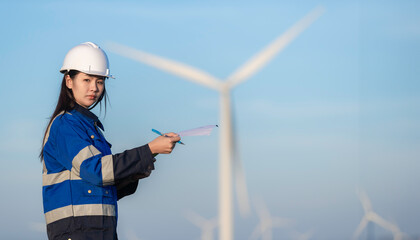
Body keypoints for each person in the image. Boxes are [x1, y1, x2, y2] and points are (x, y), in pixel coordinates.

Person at [40, 42, 181, 240]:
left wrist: (145, 160)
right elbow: (95, 170)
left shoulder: (89, 128)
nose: (94, 88)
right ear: (69, 81)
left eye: (99, 81)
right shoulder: (65, 125)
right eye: (87, 80)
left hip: (99, 231)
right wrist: (147, 150)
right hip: (77, 232)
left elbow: (103, 187)